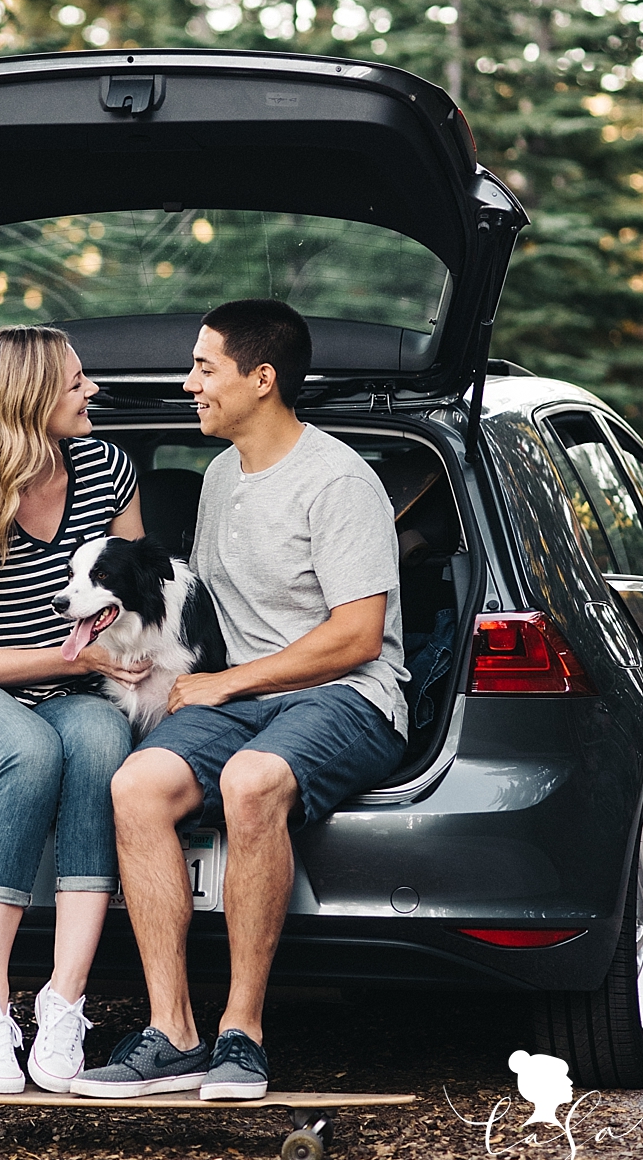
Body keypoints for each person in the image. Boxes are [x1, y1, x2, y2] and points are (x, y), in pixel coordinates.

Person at [74, 298, 409, 1101]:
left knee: (251, 781)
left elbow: (359, 636)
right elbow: (194, 609)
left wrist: (226, 683)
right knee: (135, 786)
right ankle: (172, 1032)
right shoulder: (221, 474)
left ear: (262, 379)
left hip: (348, 696)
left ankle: (243, 1035)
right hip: (242, 697)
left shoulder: (337, 480)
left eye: (203, 367)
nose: (188, 383)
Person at [0, 325, 147, 1095]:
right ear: (31, 396)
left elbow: (133, 598)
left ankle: (64, 1001)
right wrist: (78, 655)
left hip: (76, 691)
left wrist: (128, 660)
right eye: (77, 383)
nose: (93, 392)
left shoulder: (108, 469)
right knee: (32, 751)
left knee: (100, 745)